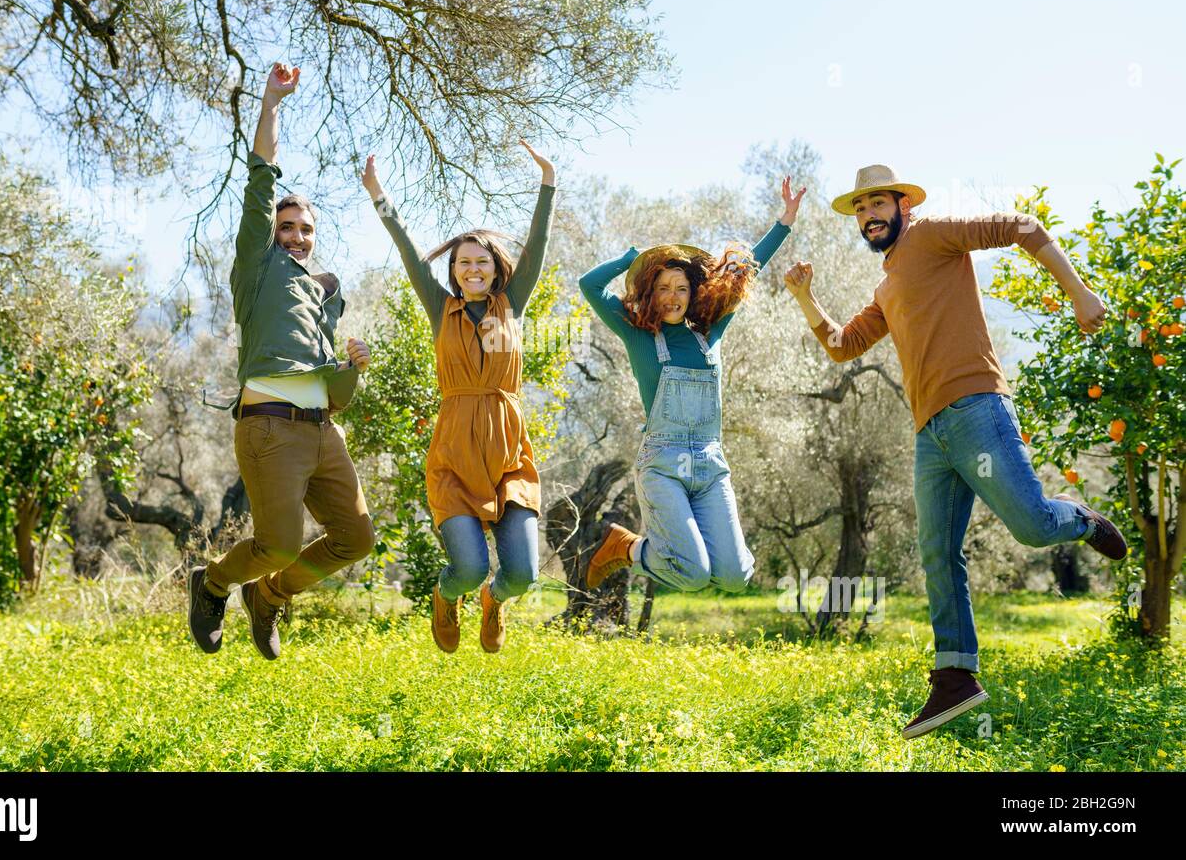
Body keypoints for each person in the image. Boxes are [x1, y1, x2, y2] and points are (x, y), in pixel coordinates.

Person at [783, 163, 1127, 740]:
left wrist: (1079, 293)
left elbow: (1022, 226)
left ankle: (1079, 519)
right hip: (930, 436)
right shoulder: (887, 285)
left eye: (878, 204)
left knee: (1035, 527)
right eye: (860, 209)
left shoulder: (933, 234)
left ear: (903, 207)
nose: (869, 216)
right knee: (938, 555)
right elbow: (844, 346)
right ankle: (955, 677)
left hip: (977, 409)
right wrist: (804, 297)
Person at [187, 63, 376, 661]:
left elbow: (338, 395)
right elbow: (261, 177)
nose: (297, 235)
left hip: (325, 432)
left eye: (306, 229)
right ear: (271, 231)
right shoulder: (257, 266)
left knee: (355, 539)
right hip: (269, 427)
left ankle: (267, 597)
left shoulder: (318, 293)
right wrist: (272, 102)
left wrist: (351, 366)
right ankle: (214, 582)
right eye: (287, 226)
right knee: (279, 544)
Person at [361, 142, 556, 653]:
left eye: (482, 262)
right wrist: (380, 197)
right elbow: (407, 249)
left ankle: (495, 601)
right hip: (454, 454)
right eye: (464, 262)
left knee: (522, 575)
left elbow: (536, 245)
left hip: (508, 454)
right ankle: (447, 597)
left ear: (495, 269)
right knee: (466, 569)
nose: (473, 269)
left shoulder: (510, 305)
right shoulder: (439, 307)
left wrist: (548, 183)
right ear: (454, 271)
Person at [579, 177, 805, 594]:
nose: (672, 295)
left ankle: (635, 549)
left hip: (709, 464)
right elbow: (588, 285)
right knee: (694, 574)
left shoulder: (711, 330)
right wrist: (631, 258)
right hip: (662, 465)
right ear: (650, 291)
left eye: (681, 288)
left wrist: (784, 221)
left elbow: (747, 268)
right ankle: (625, 548)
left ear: (693, 293)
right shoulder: (637, 336)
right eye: (663, 287)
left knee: (736, 578)